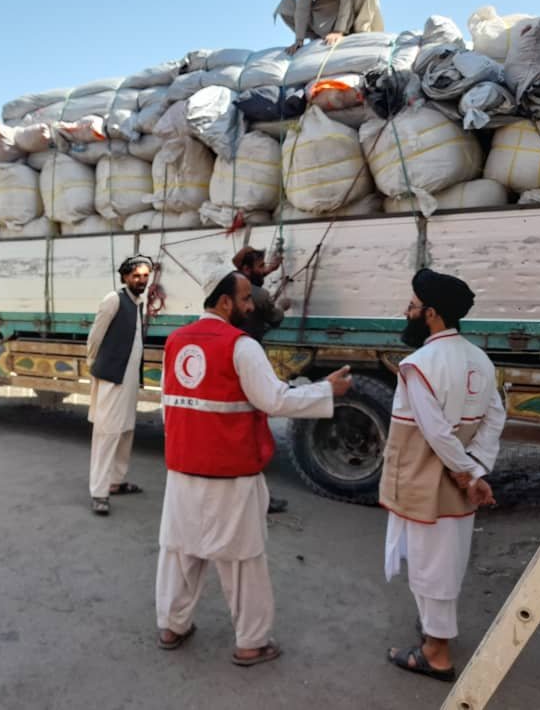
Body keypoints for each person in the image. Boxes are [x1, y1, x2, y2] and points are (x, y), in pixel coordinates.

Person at [155, 268, 352, 665]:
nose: (251, 306)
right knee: (243, 561)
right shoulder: (241, 346)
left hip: (183, 470)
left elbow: (168, 406)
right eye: (246, 299)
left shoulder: (175, 341)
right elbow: (274, 400)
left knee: (180, 552)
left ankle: (172, 626)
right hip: (230, 473)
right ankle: (251, 643)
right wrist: (326, 390)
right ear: (225, 302)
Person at [382, 268, 506, 682]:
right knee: (445, 559)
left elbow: (433, 429)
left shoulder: (419, 363)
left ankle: (436, 653)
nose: (407, 312)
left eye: (413, 307)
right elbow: (495, 417)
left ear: (431, 313)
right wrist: (477, 468)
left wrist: (466, 472)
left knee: (430, 563)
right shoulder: (481, 359)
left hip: (427, 480)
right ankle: (434, 630)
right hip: (458, 481)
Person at [86, 255, 152, 516]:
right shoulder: (113, 299)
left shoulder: (138, 303)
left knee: (125, 430)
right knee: (107, 434)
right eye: (136, 276)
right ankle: (99, 492)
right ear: (125, 277)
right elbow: (95, 337)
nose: (141, 281)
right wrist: (98, 368)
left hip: (129, 379)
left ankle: (116, 481)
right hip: (112, 377)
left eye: (145, 276)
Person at [232, 246, 293, 515]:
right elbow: (274, 316)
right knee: (252, 437)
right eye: (259, 267)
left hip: (234, 371)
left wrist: (270, 269)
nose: (248, 304)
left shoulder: (230, 287)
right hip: (249, 371)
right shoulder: (258, 295)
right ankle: (255, 499)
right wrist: (280, 306)